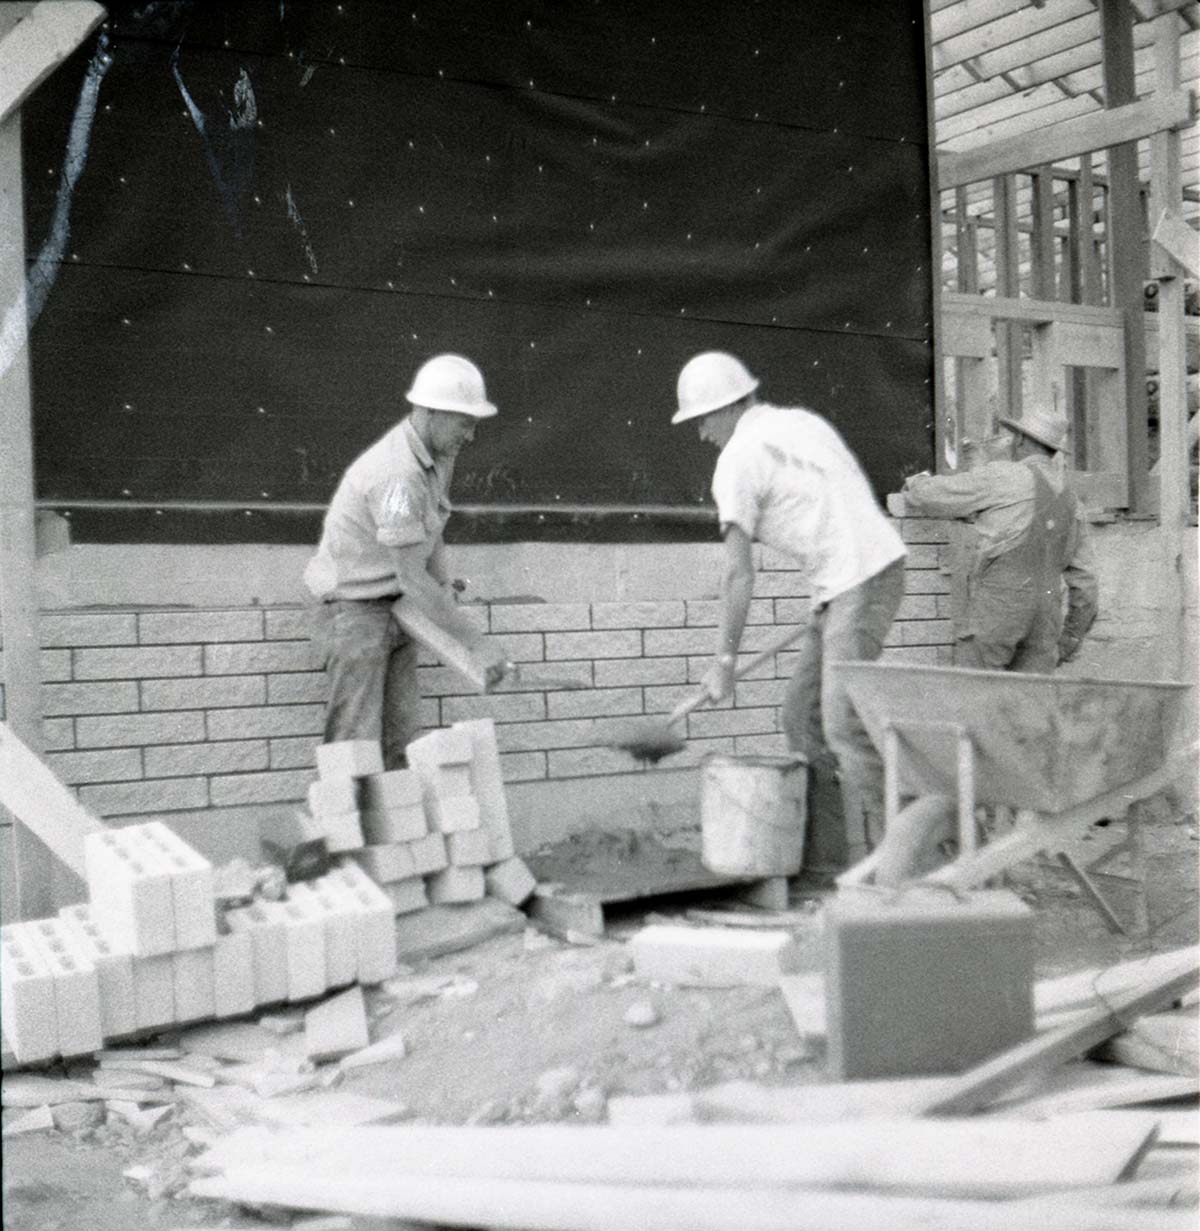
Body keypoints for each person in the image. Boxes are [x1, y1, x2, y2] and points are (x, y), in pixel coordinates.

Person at [673, 351, 908, 869]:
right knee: (801, 718)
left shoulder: (736, 461)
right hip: (855, 580)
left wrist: (724, 663)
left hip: (858, 582)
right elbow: (837, 508)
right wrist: (828, 603)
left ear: (728, 407)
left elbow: (738, 574)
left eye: (702, 420)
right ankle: (828, 863)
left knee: (843, 726)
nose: (701, 433)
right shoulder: (802, 422)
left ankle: (913, 861)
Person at [304, 354, 510, 769]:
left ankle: (395, 814)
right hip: (354, 613)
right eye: (465, 423)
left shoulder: (436, 456)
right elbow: (412, 577)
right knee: (354, 749)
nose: (471, 436)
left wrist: (443, 586)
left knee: (400, 743)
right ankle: (347, 815)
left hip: (395, 608)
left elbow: (431, 530)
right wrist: (477, 643)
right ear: (431, 412)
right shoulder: (397, 476)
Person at [901, 406, 1098, 672]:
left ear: (1020, 439)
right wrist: (1070, 638)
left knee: (979, 689)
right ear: (1053, 450)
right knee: (1030, 696)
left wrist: (916, 482)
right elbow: (1086, 582)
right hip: (1046, 616)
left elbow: (934, 496)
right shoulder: (1071, 499)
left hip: (1000, 606)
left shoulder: (1003, 476)